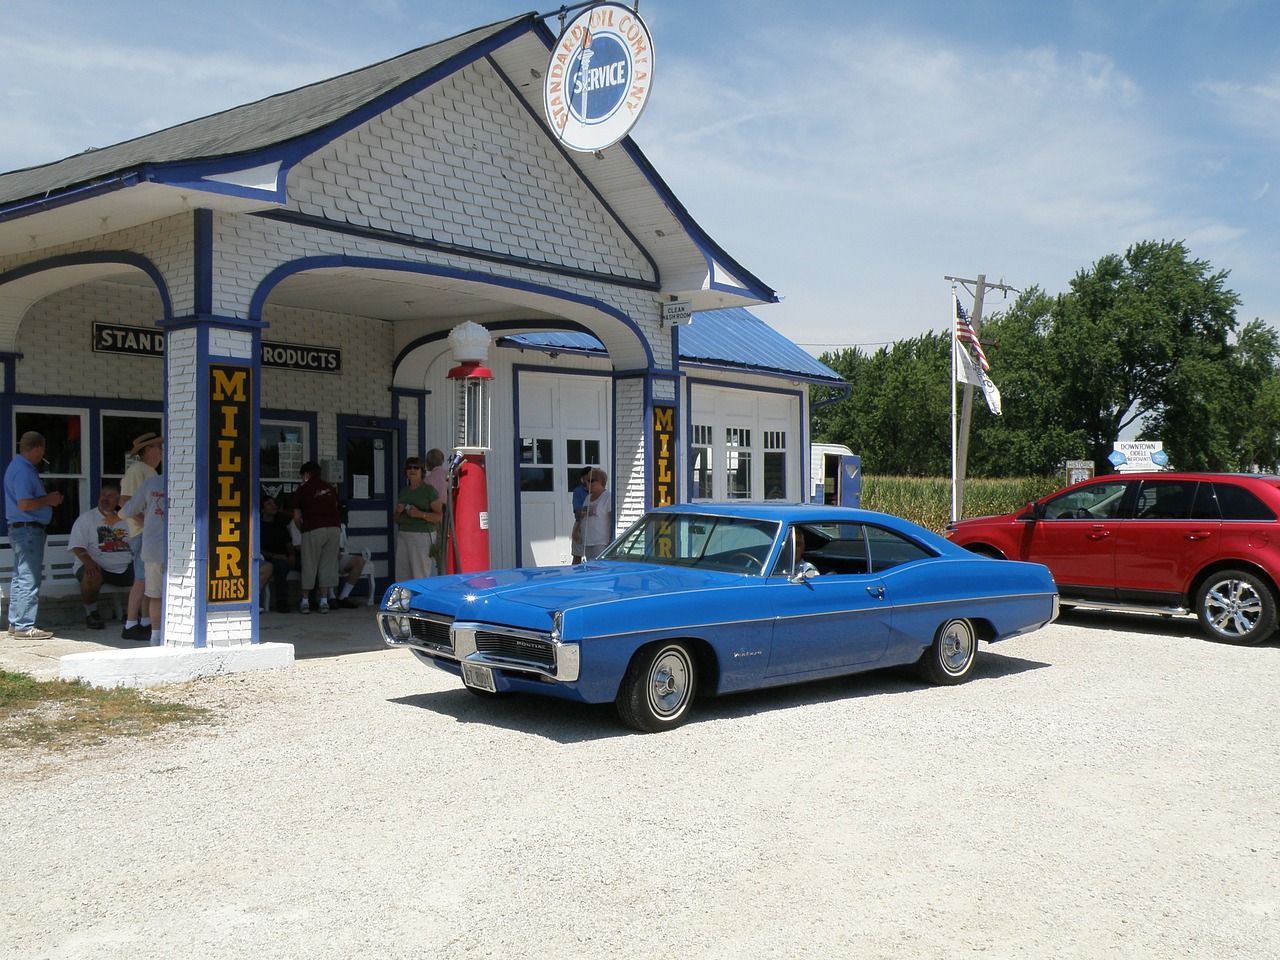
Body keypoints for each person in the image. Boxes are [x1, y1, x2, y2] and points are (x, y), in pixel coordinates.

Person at [4, 431, 65, 640]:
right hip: (28, 529)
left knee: (21, 576)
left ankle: (16, 622)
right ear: (39, 448)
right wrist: (49, 500)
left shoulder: (19, 466)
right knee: (29, 576)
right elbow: (24, 503)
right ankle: (24, 626)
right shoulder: (23, 470)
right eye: (43, 449)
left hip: (22, 530)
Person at [67, 482, 135, 631]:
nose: (105, 498)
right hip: (97, 567)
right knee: (91, 574)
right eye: (103, 495)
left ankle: (134, 613)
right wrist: (88, 562)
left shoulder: (125, 519)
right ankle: (91, 613)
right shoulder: (86, 518)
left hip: (124, 567)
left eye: (110, 496)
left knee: (147, 572)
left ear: (118, 500)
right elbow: (77, 546)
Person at [120, 432, 162, 641]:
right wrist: (145, 521)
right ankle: (130, 623)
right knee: (141, 579)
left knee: (148, 581)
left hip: (150, 534)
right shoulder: (137, 470)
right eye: (159, 448)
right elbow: (125, 500)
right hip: (142, 533)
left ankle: (146, 621)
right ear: (148, 450)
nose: (162, 452)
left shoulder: (150, 471)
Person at [293, 461, 341, 614]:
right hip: (334, 528)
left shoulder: (303, 489)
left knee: (309, 563)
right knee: (327, 564)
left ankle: (305, 601)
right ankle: (324, 601)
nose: (302, 478)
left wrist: (303, 530)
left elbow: (296, 516)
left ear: (306, 474)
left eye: (302, 475)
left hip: (313, 527)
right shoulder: (330, 488)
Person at [395, 456, 443, 580]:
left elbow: (439, 516)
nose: (412, 470)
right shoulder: (404, 491)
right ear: (405, 471)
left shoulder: (429, 490)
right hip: (403, 535)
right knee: (402, 575)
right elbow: (396, 520)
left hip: (422, 536)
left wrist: (419, 514)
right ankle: (404, 599)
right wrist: (399, 512)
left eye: (416, 467)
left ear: (422, 471)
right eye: (409, 467)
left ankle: (419, 599)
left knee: (419, 575)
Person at [260, 495, 297, 613]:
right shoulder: (259, 526)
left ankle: (310, 600)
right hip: (269, 558)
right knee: (280, 566)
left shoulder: (280, 524)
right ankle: (281, 601)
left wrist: (292, 555)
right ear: (262, 509)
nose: (273, 506)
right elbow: (257, 550)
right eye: (268, 504)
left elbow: (289, 544)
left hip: (286, 556)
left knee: (310, 563)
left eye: (274, 503)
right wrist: (276, 556)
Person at [580, 468, 613, 561]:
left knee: (600, 567)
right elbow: (583, 516)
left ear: (600, 481)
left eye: (591, 481)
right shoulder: (588, 497)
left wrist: (611, 540)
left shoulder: (608, 497)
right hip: (587, 540)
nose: (588, 484)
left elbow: (612, 520)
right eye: (586, 481)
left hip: (601, 541)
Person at [571, 467, 591, 565]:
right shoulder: (578, 491)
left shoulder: (597, 491)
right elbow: (578, 510)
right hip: (581, 524)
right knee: (577, 555)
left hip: (594, 527)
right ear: (583, 478)